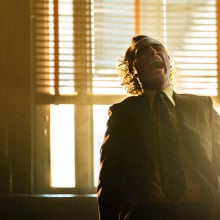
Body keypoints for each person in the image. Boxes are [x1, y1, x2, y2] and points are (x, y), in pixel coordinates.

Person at [97, 35, 220, 220]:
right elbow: (109, 180)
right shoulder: (122, 114)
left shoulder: (202, 106)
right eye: (143, 52)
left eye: (157, 48)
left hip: (201, 211)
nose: (153, 52)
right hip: (147, 213)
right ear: (133, 69)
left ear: (168, 61)